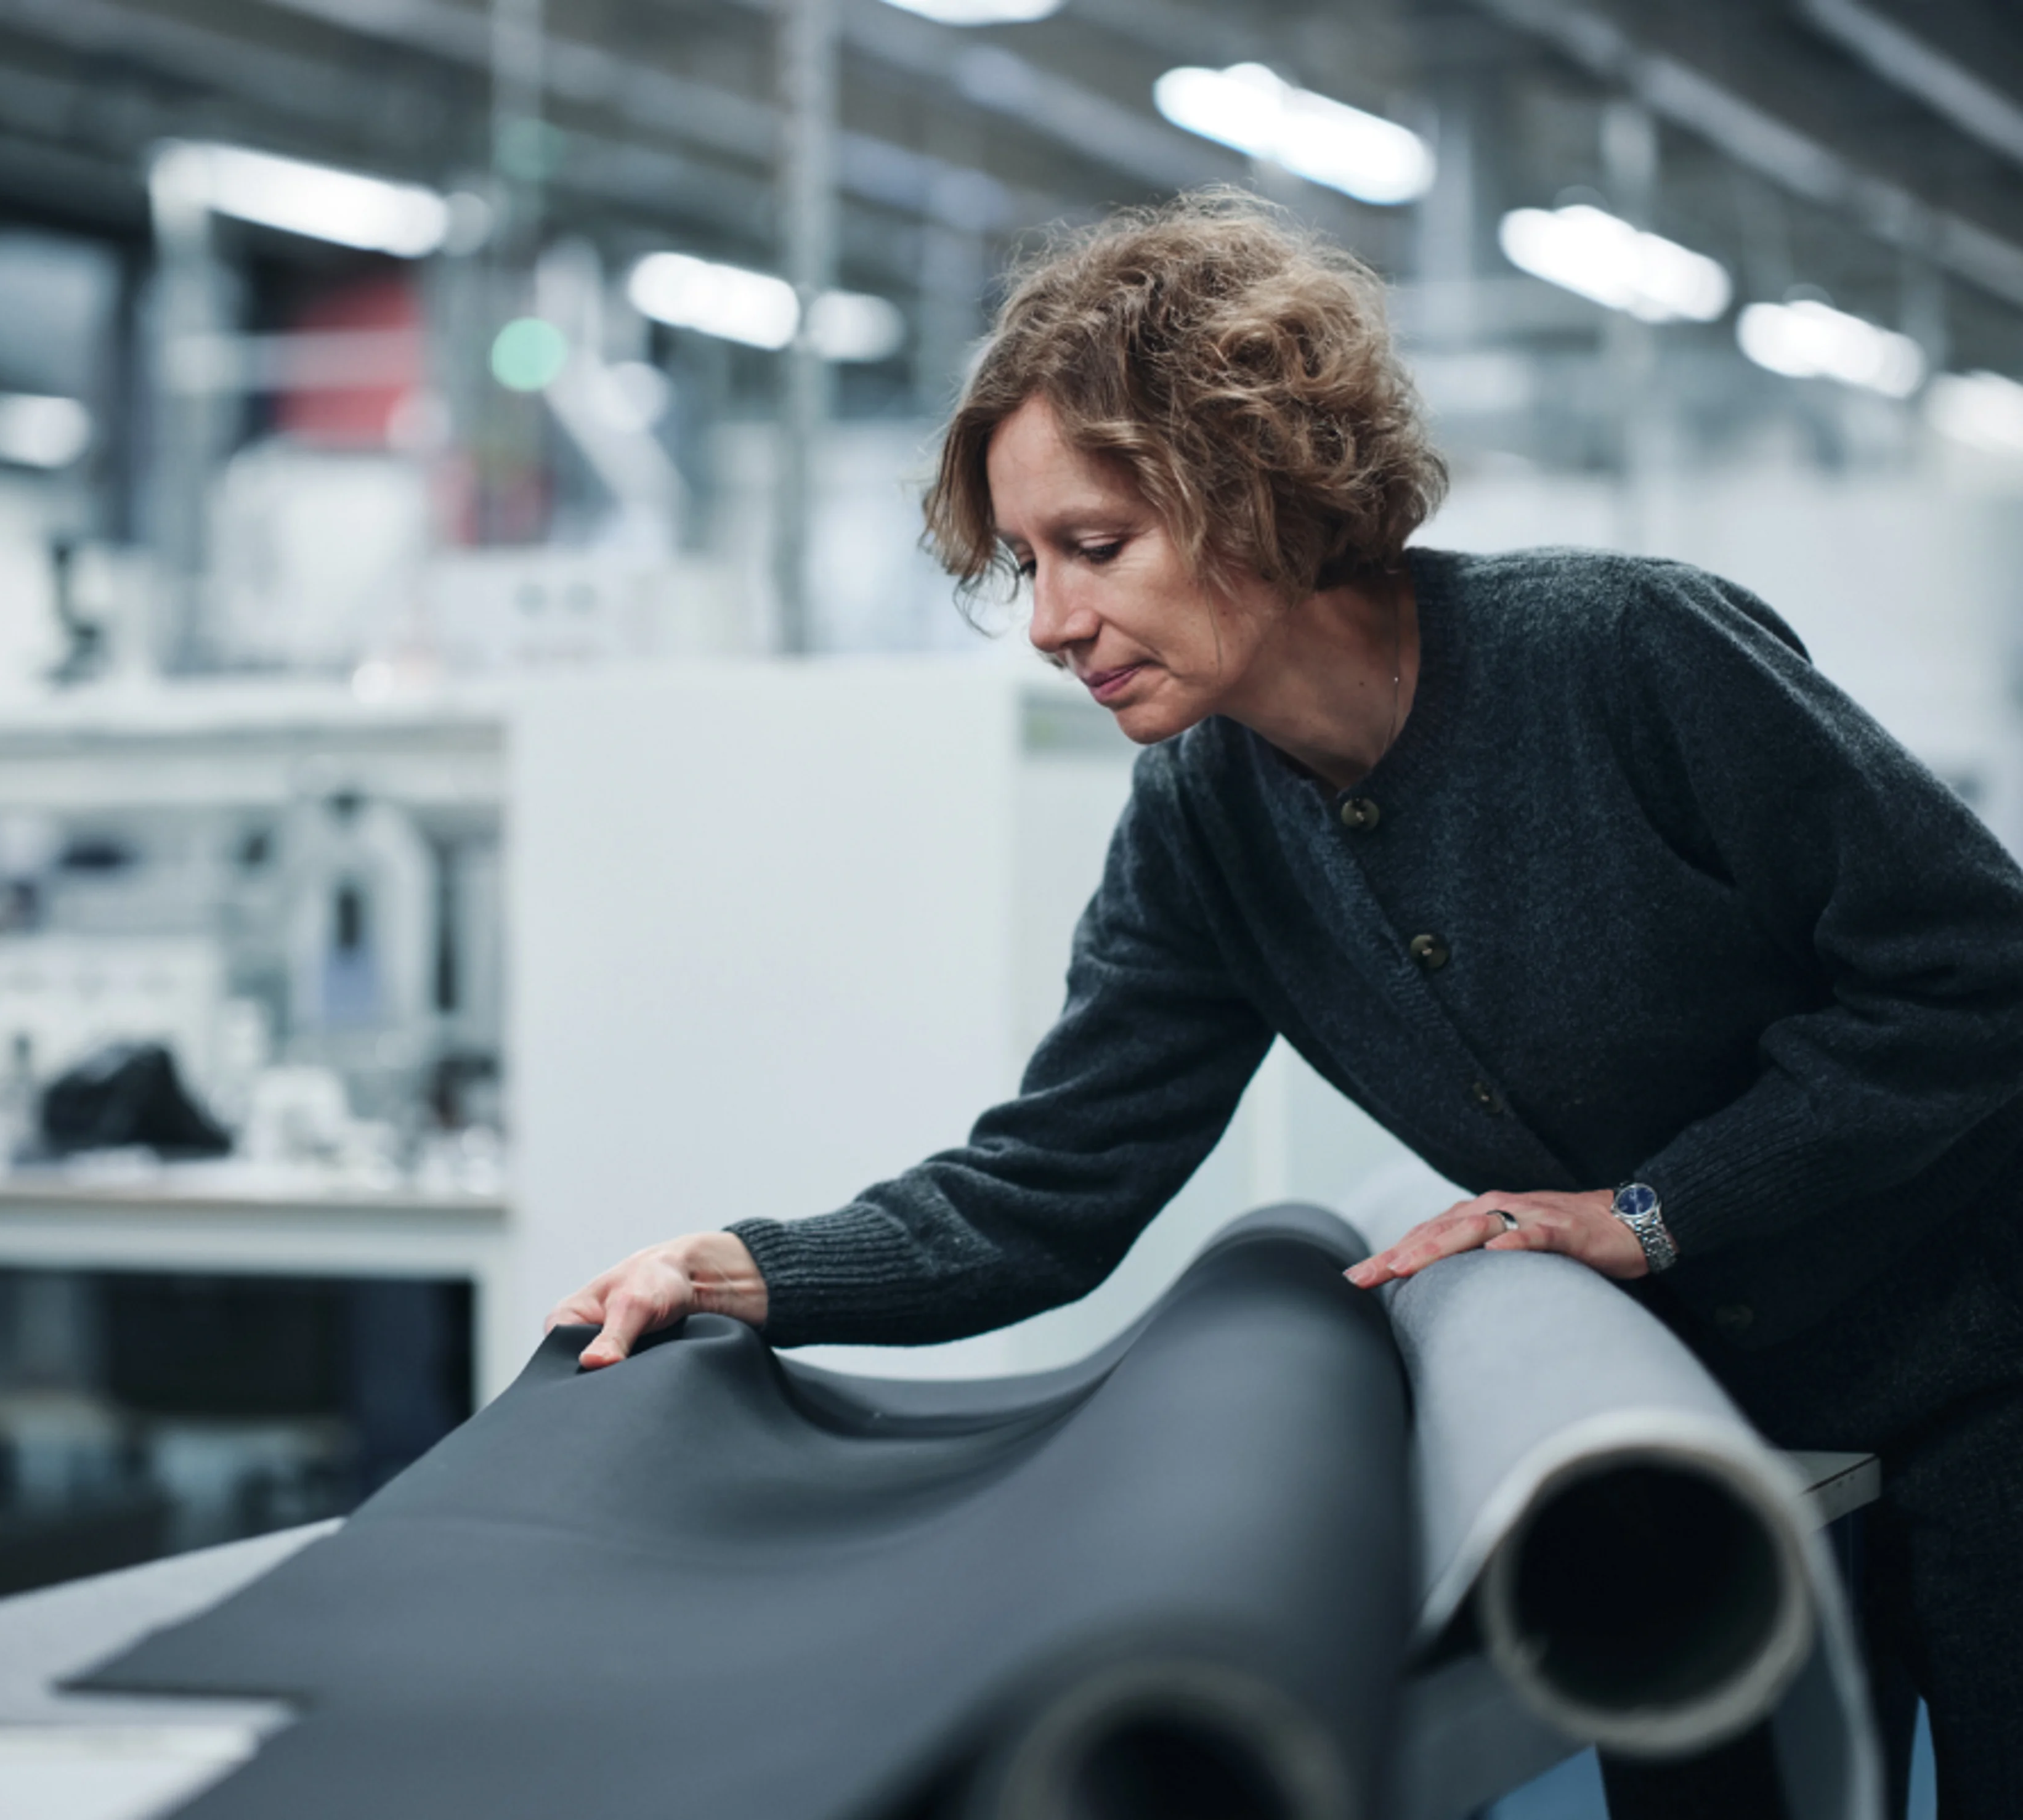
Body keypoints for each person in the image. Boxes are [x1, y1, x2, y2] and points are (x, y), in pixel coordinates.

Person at [545, 190, 2023, 1817]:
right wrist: (739, 1268)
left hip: (1986, 1367)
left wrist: (1656, 1212)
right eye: (1027, 564)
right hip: (1696, 1432)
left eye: (1097, 547)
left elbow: (1974, 974)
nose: (1050, 624)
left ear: (1253, 484)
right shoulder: (1207, 817)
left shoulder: (1618, 652)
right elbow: (1055, 1183)